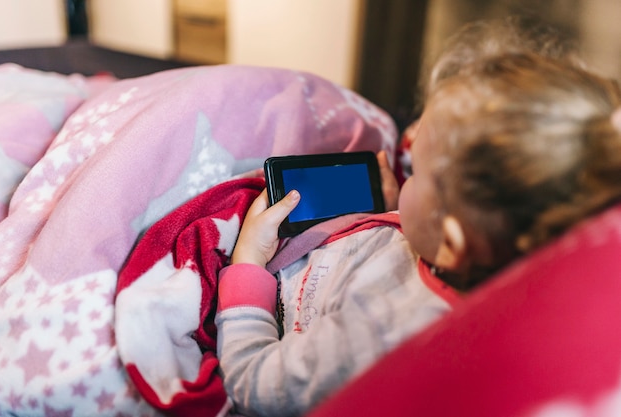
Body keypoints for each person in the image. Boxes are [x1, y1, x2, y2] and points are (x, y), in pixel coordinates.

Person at [215, 19, 621, 417]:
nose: (404, 142)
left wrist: (247, 265)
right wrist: (393, 209)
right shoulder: (481, 245)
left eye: (418, 171)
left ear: (451, 242)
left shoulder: (379, 332)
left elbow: (258, 386)